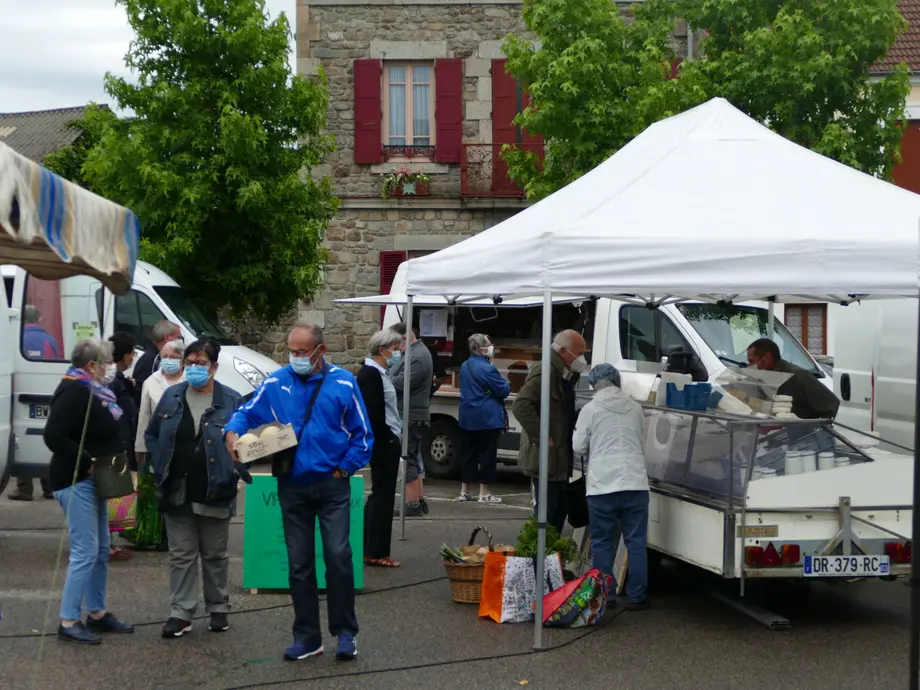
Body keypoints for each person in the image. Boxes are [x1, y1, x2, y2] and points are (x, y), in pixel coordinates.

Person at [224, 323, 371, 662]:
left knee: (338, 556)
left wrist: (344, 468)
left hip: (332, 484)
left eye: (303, 352)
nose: (296, 358)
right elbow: (245, 413)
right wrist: (232, 433)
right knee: (299, 563)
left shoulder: (344, 383)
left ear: (321, 351)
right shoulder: (276, 382)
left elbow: (363, 435)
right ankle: (307, 637)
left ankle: (345, 633)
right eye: (292, 351)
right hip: (291, 484)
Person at [145, 338, 247, 638]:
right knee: (181, 554)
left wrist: (233, 469)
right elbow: (152, 434)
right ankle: (181, 612)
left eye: (200, 363)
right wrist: (159, 464)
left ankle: (218, 607)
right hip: (176, 488)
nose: (193, 368)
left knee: (214, 554)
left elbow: (247, 443)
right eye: (189, 363)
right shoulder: (171, 396)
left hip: (215, 488)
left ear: (214, 366)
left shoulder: (231, 400)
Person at [42, 338, 134, 644]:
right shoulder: (74, 390)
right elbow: (53, 435)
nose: (111, 367)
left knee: (102, 547)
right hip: (75, 479)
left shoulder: (94, 389)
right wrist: (86, 460)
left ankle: (96, 612)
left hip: (99, 478)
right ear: (91, 365)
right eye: (106, 362)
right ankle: (68, 620)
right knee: (86, 550)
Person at [573, 363, 649, 610]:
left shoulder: (590, 409)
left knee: (603, 543)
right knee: (636, 541)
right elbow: (641, 439)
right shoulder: (636, 407)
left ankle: (606, 595)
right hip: (635, 483)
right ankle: (637, 596)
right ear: (617, 382)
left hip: (602, 486)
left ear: (594, 384)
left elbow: (578, 447)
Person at [512, 329, 588, 534]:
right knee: (549, 511)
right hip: (547, 457)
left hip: (559, 457)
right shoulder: (546, 373)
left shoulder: (564, 374)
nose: (582, 358)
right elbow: (520, 405)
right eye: (579, 353)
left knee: (558, 510)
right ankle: (540, 552)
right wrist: (542, 436)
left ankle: (548, 551)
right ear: (563, 351)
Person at [132, 339, 185, 550]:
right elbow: (144, 418)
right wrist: (140, 449)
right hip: (159, 446)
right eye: (165, 357)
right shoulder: (151, 382)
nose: (168, 361)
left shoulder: (191, 380)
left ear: (182, 360)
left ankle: (180, 535)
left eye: (173, 357)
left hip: (184, 445)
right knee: (159, 490)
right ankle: (161, 535)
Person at [358, 328, 403, 568]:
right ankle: (375, 550)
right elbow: (373, 413)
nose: (397, 353)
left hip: (387, 440)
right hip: (383, 442)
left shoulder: (380, 373)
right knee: (382, 496)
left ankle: (372, 548)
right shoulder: (370, 374)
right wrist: (389, 438)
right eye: (394, 349)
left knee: (382, 495)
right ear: (382, 349)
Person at [458, 333, 510, 504]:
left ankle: (465, 491)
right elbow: (503, 390)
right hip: (487, 418)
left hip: (467, 416)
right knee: (487, 455)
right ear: (482, 349)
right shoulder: (488, 368)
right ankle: (484, 493)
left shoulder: (465, 365)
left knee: (468, 454)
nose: (491, 346)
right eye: (488, 344)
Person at [388, 322, 433, 517]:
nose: (395, 348)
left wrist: (386, 376)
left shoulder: (417, 356)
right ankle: (419, 501)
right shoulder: (415, 353)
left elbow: (401, 382)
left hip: (411, 415)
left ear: (405, 338)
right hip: (411, 414)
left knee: (407, 459)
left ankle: (412, 503)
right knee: (413, 459)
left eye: (396, 343)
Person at [746, 338, 840, 420]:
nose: (749, 366)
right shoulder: (764, 377)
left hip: (802, 433)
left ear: (766, 358)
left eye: (751, 361)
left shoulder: (798, 376)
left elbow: (831, 404)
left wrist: (813, 427)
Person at [107, 331, 139, 561]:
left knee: (115, 493)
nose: (133, 357)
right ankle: (107, 544)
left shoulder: (119, 380)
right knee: (111, 494)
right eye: (133, 353)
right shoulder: (113, 382)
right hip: (114, 446)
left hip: (120, 443)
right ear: (126, 355)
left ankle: (109, 542)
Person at [132, 320, 182, 405]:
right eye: (178, 337)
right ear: (167, 337)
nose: (180, 341)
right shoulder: (151, 360)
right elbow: (141, 393)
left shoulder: (157, 356)